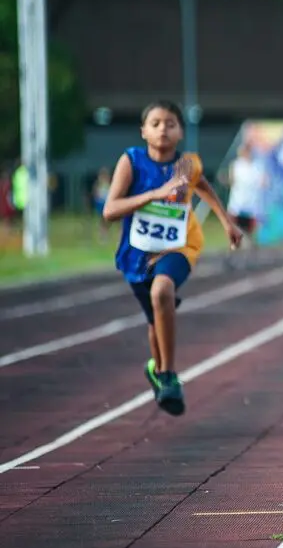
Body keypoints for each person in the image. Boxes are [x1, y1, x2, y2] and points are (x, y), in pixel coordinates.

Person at [102, 99, 243, 416]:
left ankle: (168, 375)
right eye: (155, 123)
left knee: (161, 291)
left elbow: (202, 185)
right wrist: (151, 195)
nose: (163, 129)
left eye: (170, 124)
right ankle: (157, 368)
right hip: (137, 252)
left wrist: (226, 223)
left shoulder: (186, 165)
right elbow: (110, 210)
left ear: (180, 132)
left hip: (179, 246)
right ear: (143, 131)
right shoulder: (132, 161)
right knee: (156, 318)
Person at [222, 143, 268, 268]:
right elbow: (231, 179)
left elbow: (264, 182)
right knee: (233, 232)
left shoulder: (257, 167)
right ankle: (231, 257)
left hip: (251, 207)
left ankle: (251, 258)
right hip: (237, 205)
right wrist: (225, 179)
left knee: (250, 235)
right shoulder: (236, 165)